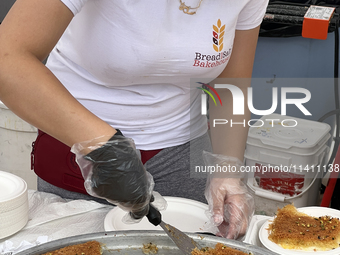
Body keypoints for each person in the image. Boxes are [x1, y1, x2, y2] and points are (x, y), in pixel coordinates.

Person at [0, 0, 268, 239]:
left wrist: (228, 171)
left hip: (179, 155)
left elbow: (231, 86)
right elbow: (8, 59)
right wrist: (104, 147)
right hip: (80, 147)